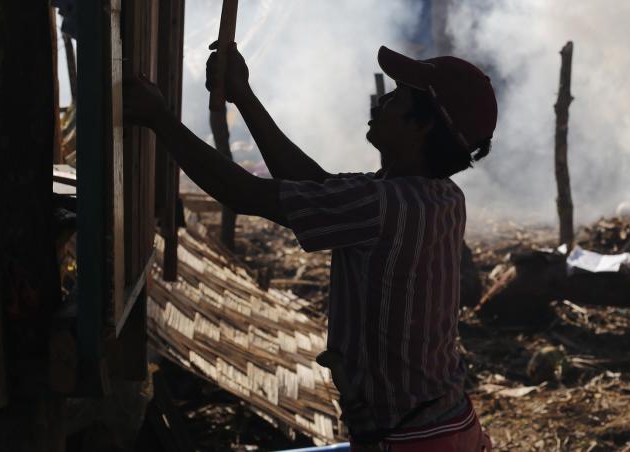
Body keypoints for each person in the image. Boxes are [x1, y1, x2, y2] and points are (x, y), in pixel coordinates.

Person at [124, 44, 497, 451]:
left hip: (412, 441)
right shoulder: (438, 196)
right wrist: (243, 96)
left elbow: (245, 194)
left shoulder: (382, 205)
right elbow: (316, 185)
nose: (382, 100)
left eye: (397, 96)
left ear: (421, 126)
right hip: (449, 426)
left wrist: (158, 118)